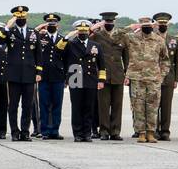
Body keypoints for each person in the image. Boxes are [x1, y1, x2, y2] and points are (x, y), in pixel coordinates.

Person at [126, 16, 170, 143]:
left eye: (148, 25)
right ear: (140, 26)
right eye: (143, 25)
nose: (146, 28)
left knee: (153, 107)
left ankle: (151, 132)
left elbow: (165, 60)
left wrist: (161, 76)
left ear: (152, 25)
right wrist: (130, 27)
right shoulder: (131, 38)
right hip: (137, 78)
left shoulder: (158, 40)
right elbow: (115, 37)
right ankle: (141, 132)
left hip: (153, 79)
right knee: (138, 107)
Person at [62, 19, 106, 141]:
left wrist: (101, 80)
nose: (83, 33)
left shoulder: (96, 46)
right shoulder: (70, 44)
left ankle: (87, 133)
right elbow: (58, 50)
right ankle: (77, 134)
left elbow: (101, 65)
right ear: (77, 32)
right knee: (76, 107)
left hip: (90, 79)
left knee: (89, 107)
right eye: (80, 31)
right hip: (75, 78)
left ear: (88, 32)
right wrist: (67, 37)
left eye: (85, 31)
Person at [4, 6, 41, 142]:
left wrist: (39, 72)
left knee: (27, 106)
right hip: (13, 75)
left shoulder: (33, 32)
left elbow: (38, 54)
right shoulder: (10, 32)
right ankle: (14, 131)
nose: (21, 20)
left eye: (22, 17)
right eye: (18, 18)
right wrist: (7, 27)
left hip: (29, 74)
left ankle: (25, 131)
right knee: (13, 105)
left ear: (26, 17)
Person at [92, 11, 130, 140]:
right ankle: (104, 131)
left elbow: (126, 58)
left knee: (117, 105)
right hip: (102, 75)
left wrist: (127, 74)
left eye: (111, 22)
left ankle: (115, 132)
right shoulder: (97, 36)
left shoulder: (121, 36)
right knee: (103, 105)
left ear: (114, 22)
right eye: (106, 22)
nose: (109, 24)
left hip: (118, 75)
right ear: (103, 22)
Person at [35, 13, 67, 139]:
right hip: (43, 76)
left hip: (58, 76)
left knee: (57, 104)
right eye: (49, 23)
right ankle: (45, 131)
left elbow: (66, 59)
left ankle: (55, 130)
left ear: (57, 25)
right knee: (44, 104)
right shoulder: (40, 38)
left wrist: (66, 77)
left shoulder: (62, 39)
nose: (51, 25)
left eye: (53, 23)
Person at [154, 12, 178, 141]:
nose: (162, 25)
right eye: (160, 23)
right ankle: (153, 130)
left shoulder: (174, 40)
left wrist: (176, 79)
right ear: (156, 24)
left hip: (169, 77)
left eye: (164, 24)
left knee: (166, 106)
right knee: (153, 105)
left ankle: (165, 131)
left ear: (168, 25)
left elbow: (177, 61)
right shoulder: (152, 38)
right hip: (153, 76)